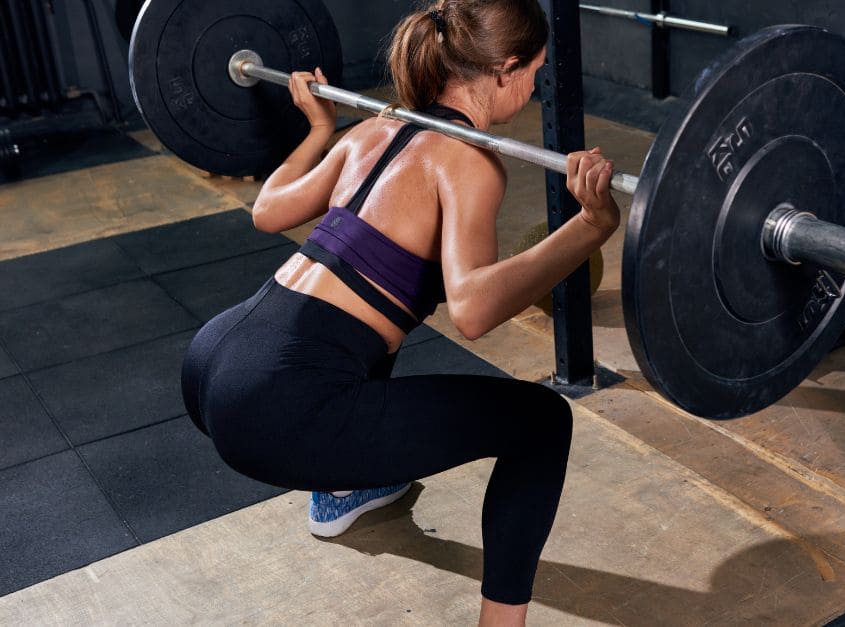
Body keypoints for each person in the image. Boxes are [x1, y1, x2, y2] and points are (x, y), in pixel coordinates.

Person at [180, 1, 620, 624]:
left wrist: (317, 129)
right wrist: (590, 226)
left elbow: (267, 210)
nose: (531, 92)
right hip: (275, 408)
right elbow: (472, 309)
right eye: (534, 74)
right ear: (505, 68)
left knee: (372, 324)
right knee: (543, 422)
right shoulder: (469, 162)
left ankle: (340, 492)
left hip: (214, 360)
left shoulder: (371, 130)